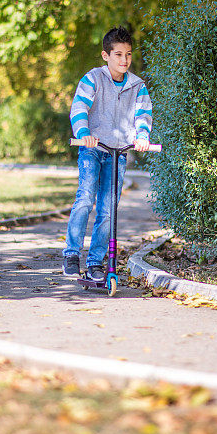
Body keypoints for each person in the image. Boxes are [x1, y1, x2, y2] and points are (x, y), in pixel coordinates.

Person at [62, 26, 153, 280]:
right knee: (85, 197)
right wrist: (83, 133)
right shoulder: (93, 78)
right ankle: (71, 253)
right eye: (118, 55)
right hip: (93, 148)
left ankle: (95, 262)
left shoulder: (137, 85)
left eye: (128, 55)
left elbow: (142, 114)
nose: (124, 60)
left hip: (118, 153)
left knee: (108, 208)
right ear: (106, 56)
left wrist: (142, 136)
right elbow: (79, 106)